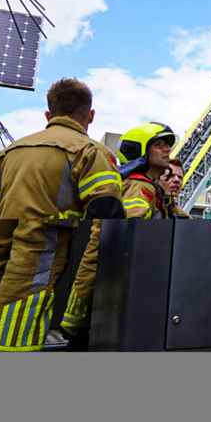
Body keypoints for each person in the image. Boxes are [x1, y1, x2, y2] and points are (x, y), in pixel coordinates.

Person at [0, 78, 125, 352]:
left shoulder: (10, 151)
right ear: (90, 115)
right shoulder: (91, 151)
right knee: (23, 294)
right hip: (43, 238)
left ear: (48, 114)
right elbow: (106, 208)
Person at [60, 122, 177, 350]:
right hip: (110, 284)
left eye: (167, 146)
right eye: (159, 144)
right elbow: (133, 233)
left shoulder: (146, 187)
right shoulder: (138, 187)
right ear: (140, 150)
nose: (167, 150)